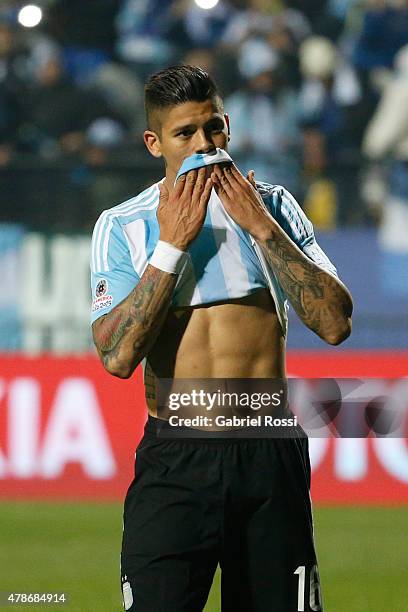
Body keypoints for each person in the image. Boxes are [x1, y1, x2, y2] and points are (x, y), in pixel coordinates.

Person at [90, 65, 353, 611]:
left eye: (213, 129)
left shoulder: (274, 207)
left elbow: (334, 324)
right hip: (177, 457)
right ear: (154, 143)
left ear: (228, 126)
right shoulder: (123, 225)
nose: (205, 146)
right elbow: (117, 357)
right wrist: (171, 246)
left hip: (266, 452)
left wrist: (262, 228)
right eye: (185, 134)